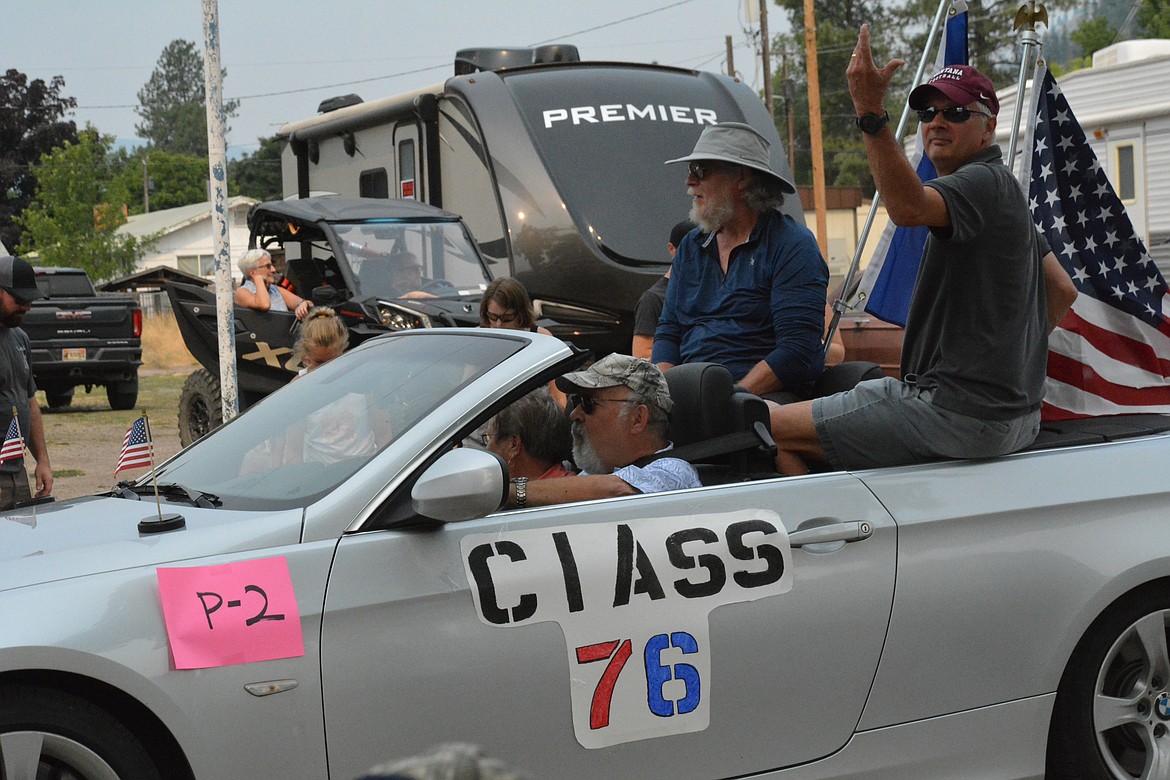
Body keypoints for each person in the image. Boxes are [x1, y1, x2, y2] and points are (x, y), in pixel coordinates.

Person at [771, 27, 1052, 475]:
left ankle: (839, 539)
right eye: (926, 112)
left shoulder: (983, 182)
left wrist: (869, 110)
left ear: (989, 127)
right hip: (1012, 417)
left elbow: (904, 207)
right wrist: (1004, 356)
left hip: (955, 413)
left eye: (957, 112)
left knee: (763, 426)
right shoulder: (1003, 194)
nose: (936, 122)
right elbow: (1061, 287)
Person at [652, 122, 829, 400]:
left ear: (742, 178)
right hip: (694, 395)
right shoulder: (691, 246)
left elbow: (798, 351)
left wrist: (731, 399)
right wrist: (663, 396)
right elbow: (668, 332)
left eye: (700, 170)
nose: (689, 182)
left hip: (767, 398)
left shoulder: (792, 244)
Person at [504, 354, 700, 508]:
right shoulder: (591, 477)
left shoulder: (674, 472)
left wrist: (508, 494)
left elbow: (619, 491)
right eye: (576, 401)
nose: (574, 414)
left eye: (588, 403)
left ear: (637, 419)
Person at [0, 255, 52, 510]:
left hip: (16, 473)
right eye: (19, 300)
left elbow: (29, 401)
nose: (26, 307)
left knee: (21, 547)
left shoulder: (20, 339)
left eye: (29, 301)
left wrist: (42, 460)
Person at [631, 219, 696, 359]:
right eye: (690, 249)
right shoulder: (653, 299)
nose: (698, 256)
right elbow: (641, 354)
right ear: (672, 249)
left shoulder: (707, 290)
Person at [482, 387, 573, 480]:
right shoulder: (570, 485)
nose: (486, 449)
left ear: (513, 445)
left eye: (489, 438)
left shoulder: (557, 492)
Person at [235, 248, 312, 320]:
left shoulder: (274, 289)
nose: (273, 269)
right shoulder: (241, 292)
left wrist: (303, 304)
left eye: (272, 265)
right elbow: (264, 305)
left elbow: (309, 304)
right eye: (267, 266)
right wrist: (258, 279)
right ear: (252, 272)